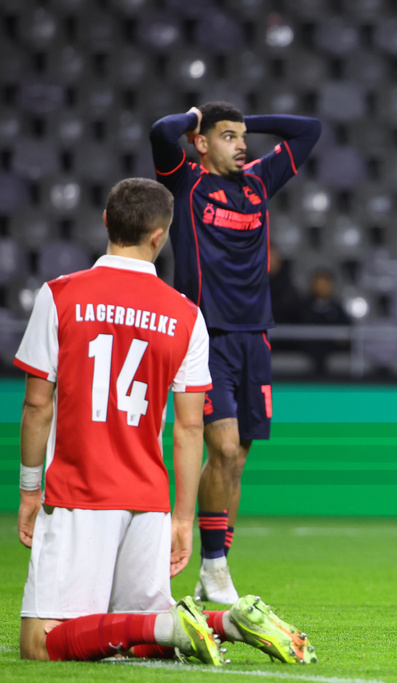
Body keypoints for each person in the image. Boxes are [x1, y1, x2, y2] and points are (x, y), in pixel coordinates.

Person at [14, 178, 316, 665]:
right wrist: (180, 518)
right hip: (148, 502)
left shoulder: (59, 296)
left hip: (78, 493)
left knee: (41, 644)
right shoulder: (186, 315)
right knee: (122, 638)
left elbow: (36, 406)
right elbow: (190, 428)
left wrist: (30, 491)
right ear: (160, 237)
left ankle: (170, 623)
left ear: (107, 222)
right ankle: (228, 622)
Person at [150, 101, 322, 603]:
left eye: (242, 137)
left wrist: (249, 120)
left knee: (237, 460)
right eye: (228, 137)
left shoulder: (257, 182)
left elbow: (308, 129)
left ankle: (213, 567)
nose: (242, 144)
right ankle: (215, 565)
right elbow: (164, 130)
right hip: (206, 336)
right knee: (222, 449)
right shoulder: (186, 181)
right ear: (201, 144)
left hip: (255, 336)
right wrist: (195, 118)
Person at [297, 268, 351, 374]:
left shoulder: (338, 308)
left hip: (332, 350)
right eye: (318, 284)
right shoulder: (302, 307)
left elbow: (345, 332)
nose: (322, 288)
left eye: (325, 284)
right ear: (312, 285)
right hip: (307, 350)